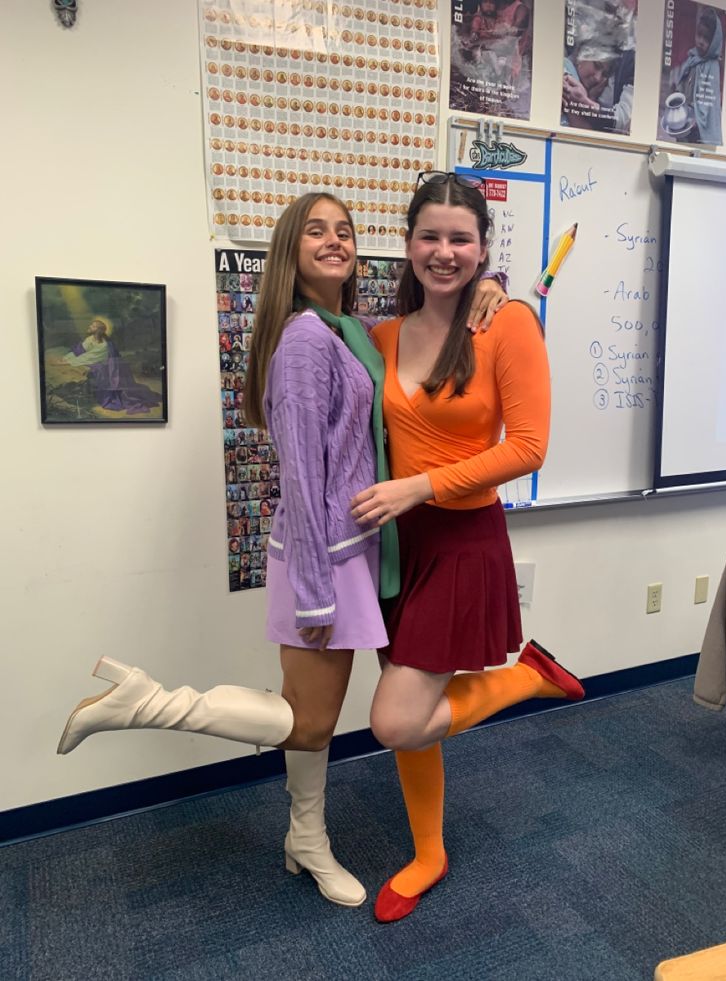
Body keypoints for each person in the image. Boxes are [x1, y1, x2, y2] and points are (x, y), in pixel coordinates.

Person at [56, 191, 508, 909]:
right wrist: (316, 590)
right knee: (312, 719)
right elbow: (299, 474)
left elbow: (432, 317)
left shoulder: (351, 330)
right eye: (315, 231)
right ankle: (151, 702)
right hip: (320, 554)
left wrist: (493, 283)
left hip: (352, 548)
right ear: (289, 253)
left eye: (344, 230)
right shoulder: (304, 338)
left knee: (312, 716)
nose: (334, 240)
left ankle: (306, 837)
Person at [349, 173, 585, 922]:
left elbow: (531, 447)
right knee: (410, 711)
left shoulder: (507, 322)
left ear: (482, 248)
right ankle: (429, 851)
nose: (443, 252)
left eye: (460, 239)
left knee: (394, 718)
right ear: (408, 241)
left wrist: (422, 487)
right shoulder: (384, 334)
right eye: (430, 236)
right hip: (395, 545)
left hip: (460, 537)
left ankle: (528, 678)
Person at [669, 5, 723, 145]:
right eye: (699, 35)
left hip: (698, 125)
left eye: (706, 38)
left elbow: (709, 99)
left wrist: (695, 116)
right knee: (680, 144)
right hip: (685, 115)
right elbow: (683, 80)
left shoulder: (712, 66)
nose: (700, 41)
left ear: (714, 41)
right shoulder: (693, 56)